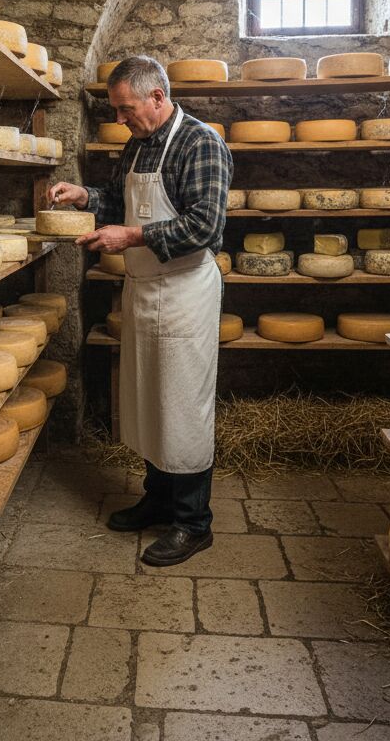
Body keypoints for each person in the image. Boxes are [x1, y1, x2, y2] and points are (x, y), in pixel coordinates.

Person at [48, 55, 233, 566]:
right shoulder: (139, 143)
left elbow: (206, 226)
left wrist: (131, 235)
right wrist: (86, 194)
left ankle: (194, 523)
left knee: (182, 407)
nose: (120, 119)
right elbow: (118, 200)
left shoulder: (201, 143)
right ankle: (158, 498)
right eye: (116, 111)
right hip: (144, 289)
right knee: (148, 398)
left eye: (126, 109)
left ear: (157, 96)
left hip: (184, 292)